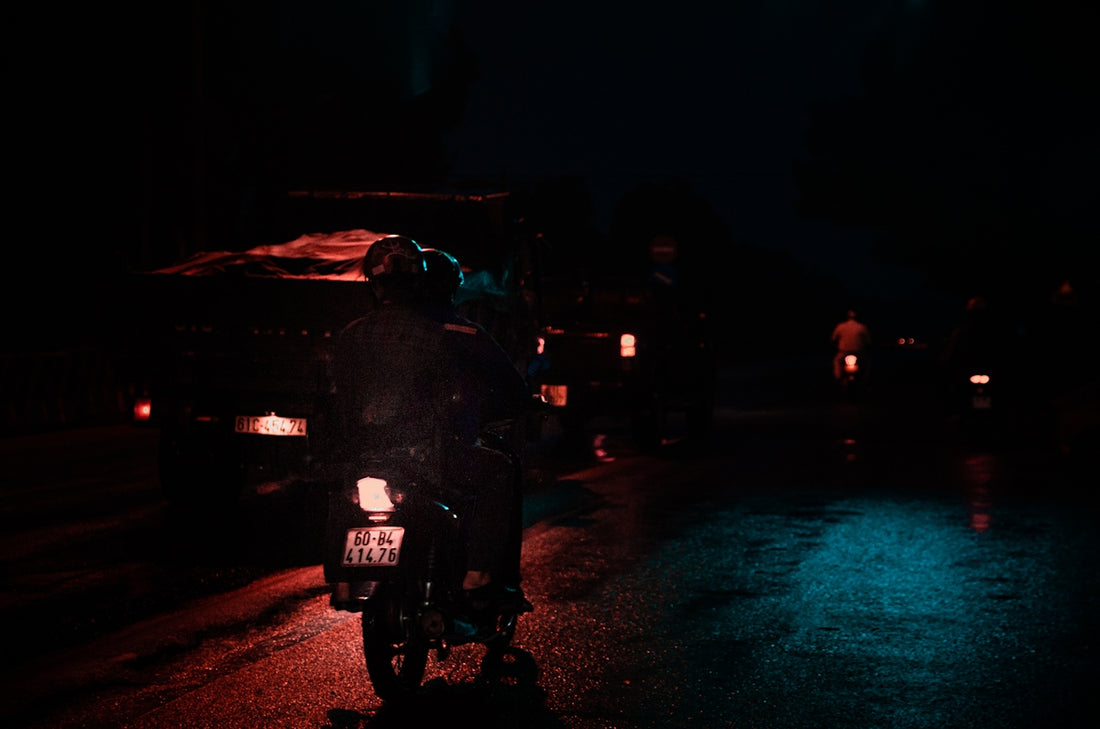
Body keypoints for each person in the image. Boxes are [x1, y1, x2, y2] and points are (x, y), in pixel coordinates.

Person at [325, 235, 530, 613]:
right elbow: (454, 397)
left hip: (363, 456)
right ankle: (479, 575)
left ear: (372, 282)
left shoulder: (351, 334)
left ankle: (342, 582)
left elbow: (334, 397)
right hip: (427, 455)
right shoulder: (442, 334)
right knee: (499, 471)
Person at [420, 247, 532, 595]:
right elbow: (513, 387)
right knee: (500, 472)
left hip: (384, 451)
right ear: (453, 289)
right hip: (444, 453)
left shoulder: (374, 333)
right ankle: (479, 574)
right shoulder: (465, 334)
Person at [831, 309, 872, 381]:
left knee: (837, 362)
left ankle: (838, 378)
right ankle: (866, 379)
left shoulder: (840, 326)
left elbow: (833, 339)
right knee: (866, 363)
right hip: (859, 352)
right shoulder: (862, 327)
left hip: (843, 352)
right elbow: (868, 341)